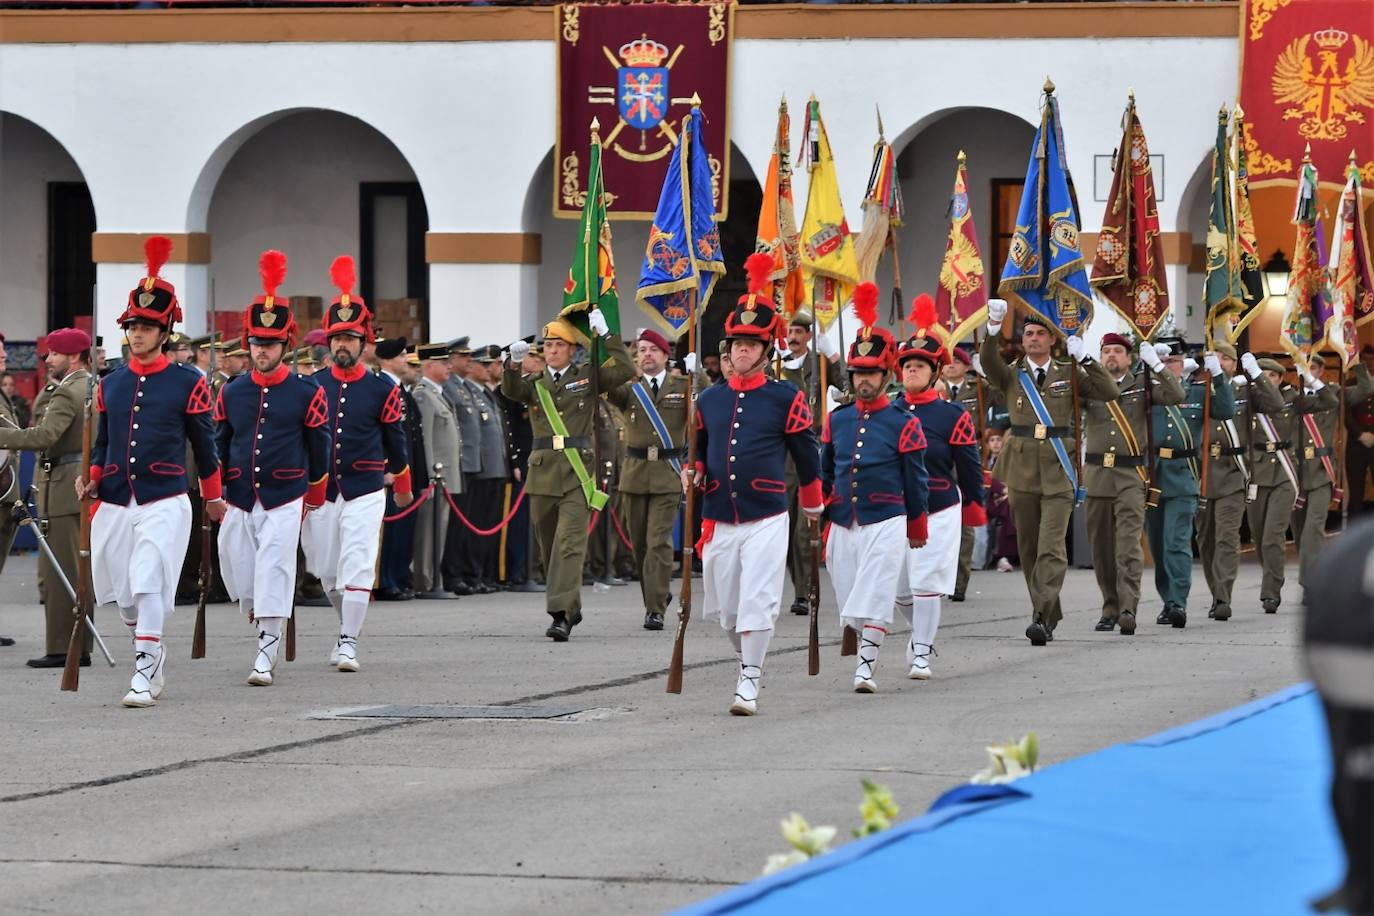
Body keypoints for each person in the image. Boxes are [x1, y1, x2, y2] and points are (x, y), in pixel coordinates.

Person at [77, 237, 222, 708]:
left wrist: (214, 496)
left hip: (165, 496)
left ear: (166, 331)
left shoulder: (189, 382)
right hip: (116, 496)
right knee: (123, 596)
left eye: (146, 326)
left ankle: (142, 672)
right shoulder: (111, 383)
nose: (136, 334)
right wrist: (93, 475)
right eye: (132, 325)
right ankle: (152, 652)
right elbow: (103, 442)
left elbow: (205, 444)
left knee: (148, 578)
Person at [688, 254, 824, 715]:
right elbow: (701, 449)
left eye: (751, 345)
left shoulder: (786, 397)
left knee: (758, 599)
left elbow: (806, 456)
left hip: (767, 513)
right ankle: (746, 659)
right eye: (736, 344)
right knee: (726, 610)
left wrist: (812, 503)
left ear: (768, 350)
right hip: (719, 515)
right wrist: (696, 471)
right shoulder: (708, 399)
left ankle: (749, 678)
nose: (741, 352)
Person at [214, 251, 330, 686]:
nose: (262, 351)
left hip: (287, 493)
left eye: (271, 344)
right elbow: (220, 442)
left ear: (285, 346)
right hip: (241, 493)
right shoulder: (233, 391)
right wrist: (217, 489)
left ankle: (267, 646)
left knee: (275, 566)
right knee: (237, 564)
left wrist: (315, 493)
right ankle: (258, 612)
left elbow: (319, 445)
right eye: (257, 344)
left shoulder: (306, 390)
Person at [979, 298, 1117, 645]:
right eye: (1029, 333)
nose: (1034, 338)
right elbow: (988, 363)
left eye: (1041, 333)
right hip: (1021, 469)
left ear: (1052, 339)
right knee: (1028, 548)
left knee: (1051, 546)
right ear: (1023, 340)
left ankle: (1040, 615)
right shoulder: (1012, 374)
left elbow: (1109, 390)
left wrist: (1086, 359)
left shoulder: (1069, 372)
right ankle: (1048, 611)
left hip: (1059, 469)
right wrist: (993, 329)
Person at [301, 256, 412, 672]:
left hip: (365, 487)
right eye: (336, 338)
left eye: (350, 338)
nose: (342, 345)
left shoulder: (382, 388)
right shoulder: (311, 386)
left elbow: (395, 441)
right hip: (322, 491)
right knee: (326, 571)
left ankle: (348, 641)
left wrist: (402, 483)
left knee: (358, 562)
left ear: (365, 342)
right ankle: (343, 624)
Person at [503, 311, 634, 641]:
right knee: (548, 547)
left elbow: (624, 370)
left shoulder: (587, 378)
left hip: (577, 471)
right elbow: (511, 391)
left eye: (558, 344)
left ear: (573, 349)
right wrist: (512, 363)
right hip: (543, 471)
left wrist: (607, 337)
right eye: (547, 345)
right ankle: (570, 605)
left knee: (568, 546)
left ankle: (560, 615)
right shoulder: (535, 384)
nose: (551, 350)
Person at [824, 284, 929, 692]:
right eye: (857, 373)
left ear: (885, 375)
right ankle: (860, 639)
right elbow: (826, 470)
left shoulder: (905, 422)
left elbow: (915, 479)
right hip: (844, 520)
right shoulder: (837, 419)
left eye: (870, 373)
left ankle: (865, 667)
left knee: (877, 591)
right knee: (849, 595)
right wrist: (820, 514)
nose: (863, 380)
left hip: (887, 518)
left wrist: (916, 526)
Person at [891, 294, 983, 679]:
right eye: (907, 365)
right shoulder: (888, 411)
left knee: (927, 583)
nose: (912, 371)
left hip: (939, 506)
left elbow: (970, 465)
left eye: (920, 366)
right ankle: (920, 633)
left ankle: (923, 652)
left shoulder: (952, 415)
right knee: (898, 590)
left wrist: (974, 506)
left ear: (934, 372)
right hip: (893, 508)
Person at [0, 329, 93, 667]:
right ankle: (78, 646)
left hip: (64, 486)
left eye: (54, 353)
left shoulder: (70, 391)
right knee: (74, 569)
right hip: (70, 483)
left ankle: (62, 649)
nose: (48, 359)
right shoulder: (86, 385)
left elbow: (44, 436)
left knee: (60, 573)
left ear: (73, 356)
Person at [1080, 333, 1184, 635]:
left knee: (1128, 547)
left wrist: (1157, 365)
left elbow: (1176, 395)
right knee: (1101, 549)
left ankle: (1128, 608)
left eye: (1117, 351)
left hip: (1131, 477)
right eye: (1106, 351)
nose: (1111, 356)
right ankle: (1109, 607)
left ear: (1129, 358)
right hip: (1098, 474)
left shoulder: (1144, 384)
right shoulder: (1091, 384)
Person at [1302, 516, 1374, 916]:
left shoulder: (1348, 549)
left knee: (1354, 761)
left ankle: (1360, 879)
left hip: (1334, 615)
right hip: (1339, 621)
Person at [1145, 340, 1235, 628]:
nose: (1170, 365)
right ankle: (1166, 599)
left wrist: (1218, 377)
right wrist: (1144, 364)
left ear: (1183, 363)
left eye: (1174, 360)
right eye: (1165, 360)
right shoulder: (1150, 389)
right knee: (1158, 546)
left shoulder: (1198, 391)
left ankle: (1178, 603)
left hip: (1184, 475)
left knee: (1177, 542)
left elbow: (1226, 410)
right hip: (1154, 476)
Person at [609, 328, 689, 631]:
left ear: (665, 356)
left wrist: (698, 375)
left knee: (658, 543)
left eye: (652, 350)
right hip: (634, 473)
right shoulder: (629, 388)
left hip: (667, 473)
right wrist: (609, 343)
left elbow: (702, 403)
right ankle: (657, 594)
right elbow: (606, 385)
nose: (647, 355)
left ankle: (654, 609)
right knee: (640, 545)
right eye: (641, 350)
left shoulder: (682, 385)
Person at [1244, 353, 1334, 614]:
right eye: (1263, 374)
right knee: (1259, 536)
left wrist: (1311, 380)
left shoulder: (1293, 399)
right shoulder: (1249, 397)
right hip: (1256, 473)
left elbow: (1329, 401)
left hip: (1285, 473)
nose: (1267, 379)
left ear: (1281, 378)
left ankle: (1270, 591)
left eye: (1272, 375)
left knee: (1273, 535)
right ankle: (1270, 577)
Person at [1195, 343, 1275, 621]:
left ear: (1234, 364)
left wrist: (1257, 375)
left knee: (1226, 537)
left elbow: (1275, 404)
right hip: (1203, 474)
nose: (1220, 361)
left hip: (1231, 473)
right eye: (1215, 357)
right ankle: (1215, 589)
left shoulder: (1243, 391)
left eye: (1226, 358)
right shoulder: (1198, 388)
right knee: (1205, 540)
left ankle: (1222, 596)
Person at [778, 309, 842, 617]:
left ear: (808, 336)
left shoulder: (818, 366)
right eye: (790, 332)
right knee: (783, 524)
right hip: (779, 455)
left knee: (805, 525)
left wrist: (832, 356)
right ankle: (792, 582)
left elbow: (847, 386)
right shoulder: (777, 365)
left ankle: (803, 592)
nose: (793, 337)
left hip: (809, 448)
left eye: (799, 332)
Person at [1292, 354, 1372, 590]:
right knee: (1299, 529)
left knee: (1314, 527)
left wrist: (1353, 359)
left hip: (1321, 470)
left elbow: (1366, 388)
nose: (1310, 372)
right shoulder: (1289, 394)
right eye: (1305, 368)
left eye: (1314, 368)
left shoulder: (1335, 392)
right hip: (1292, 471)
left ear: (1322, 370)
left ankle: (1311, 581)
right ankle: (1309, 565)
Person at [374, 337, 428, 601]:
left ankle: (398, 576)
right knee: (391, 531)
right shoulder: (382, 387)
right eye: (401, 356)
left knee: (404, 529)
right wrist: (385, 469)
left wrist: (419, 476)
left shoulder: (400, 389)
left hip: (405, 472)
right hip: (390, 474)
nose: (406, 361)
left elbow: (411, 437)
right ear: (386, 360)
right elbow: (381, 436)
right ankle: (386, 580)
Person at [410, 343, 462, 596]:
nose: (449, 366)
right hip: (435, 477)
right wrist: (429, 476)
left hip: (445, 476)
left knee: (439, 529)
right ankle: (425, 580)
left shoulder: (437, 393)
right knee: (429, 531)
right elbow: (426, 440)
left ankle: (434, 577)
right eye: (444, 363)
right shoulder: (423, 395)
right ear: (429, 366)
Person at [942, 345, 991, 602]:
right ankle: (938, 579)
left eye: (956, 362)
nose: (950, 365)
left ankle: (959, 582)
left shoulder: (978, 389)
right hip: (939, 461)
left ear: (966, 366)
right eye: (947, 362)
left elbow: (1001, 392)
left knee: (964, 524)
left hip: (967, 459)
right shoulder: (933, 389)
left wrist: (984, 373)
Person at [441, 337, 485, 595]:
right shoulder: (449, 387)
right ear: (451, 360)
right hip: (460, 464)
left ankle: (465, 573)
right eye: (463, 356)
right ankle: (453, 573)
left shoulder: (464, 387)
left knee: (468, 523)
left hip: (471, 463)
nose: (469, 360)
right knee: (457, 525)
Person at [469, 344, 509, 591]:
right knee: (477, 524)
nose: (488, 369)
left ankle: (485, 573)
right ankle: (473, 573)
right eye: (483, 364)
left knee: (489, 524)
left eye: (489, 364)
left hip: (495, 468)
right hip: (481, 469)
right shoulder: (471, 393)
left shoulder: (486, 393)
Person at [1344, 345, 1374, 515]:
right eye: (1365, 360)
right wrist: (1361, 434)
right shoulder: (1350, 384)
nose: (1369, 363)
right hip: (1356, 444)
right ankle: (1354, 533)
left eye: (1372, 359)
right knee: (1356, 491)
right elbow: (1346, 414)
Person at [983, 428, 1017, 572]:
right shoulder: (984, 461)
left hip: (1007, 498)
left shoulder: (1006, 460)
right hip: (989, 500)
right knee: (1008, 506)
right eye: (992, 440)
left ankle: (1005, 556)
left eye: (998, 440)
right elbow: (988, 481)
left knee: (1009, 506)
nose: (996, 443)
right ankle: (1003, 556)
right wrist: (1003, 490)